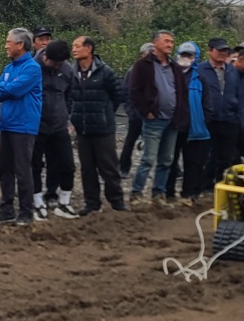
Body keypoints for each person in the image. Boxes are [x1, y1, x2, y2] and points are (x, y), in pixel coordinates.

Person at [0, 28, 43, 225]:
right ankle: (6, 209)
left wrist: (6, 88)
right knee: (5, 170)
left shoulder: (32, 68)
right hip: (7, 124)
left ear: (20, 45)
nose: (5, 46)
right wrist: (6, 88)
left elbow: (15, 90)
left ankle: (26, 211)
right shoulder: (9, 68)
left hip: (23, 125)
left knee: (22, 170)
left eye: (8, 42)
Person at [128, 31, 188, 204]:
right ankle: (136, 193)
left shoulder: (175, 67)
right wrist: (146, 111)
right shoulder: (143, 65)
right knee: (148, 159)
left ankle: (158, 193)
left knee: (167, 160)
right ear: (155, 42)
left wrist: (180, 113)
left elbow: (181, 92)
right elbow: (134, 91)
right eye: (166, 41)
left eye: (172, 42)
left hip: (172, 120)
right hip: (153, 120)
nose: (170, 45)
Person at [69, 36, 125, 215]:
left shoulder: (105, 72)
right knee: (87, 168)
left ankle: (117, 201)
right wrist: (73, 117)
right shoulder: (71, 72)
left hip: (103, 129)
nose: (74, 49)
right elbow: (69, 97)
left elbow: (117, 95)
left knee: (108, 167)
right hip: (82, 129)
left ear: (89, 48)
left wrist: (105, 113)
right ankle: (91, 203)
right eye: (73, 46)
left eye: (77, 46)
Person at [32, 40, 77, 218]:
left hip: (58, 125)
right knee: (34, 165)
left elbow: (70, 96)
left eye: (60, 64)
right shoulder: (33, 68)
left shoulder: (67, 70)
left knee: (66, 165)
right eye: (54, 63)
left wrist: (66, 115)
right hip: (37, 125)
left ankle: (63, 201)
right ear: (45, 56)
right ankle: (36, 202)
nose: (57, 66)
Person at [195, 37, 242, 189]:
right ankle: (205, 185)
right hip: (209, 120)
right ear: (210, 51)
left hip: (229, 119)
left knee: (226, 157)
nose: (223, 53)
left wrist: (238, 114)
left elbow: (239, 93)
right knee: (206, 155)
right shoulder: (200, 70)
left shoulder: (232, 70)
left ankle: (221, 184)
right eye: (219, 50)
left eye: (225, 50)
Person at [174, 42, 210, 202]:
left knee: (193, 163)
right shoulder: (170, 74)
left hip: (195, 128)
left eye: (189, 55)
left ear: (195, 57)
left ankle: (189, 194)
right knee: (170, 162)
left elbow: (208, 103)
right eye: (183, 54)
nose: (186, 58)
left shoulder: (201, 78)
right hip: (174, 127)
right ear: (177, 55)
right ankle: (168, 194)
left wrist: (205, 121)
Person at [118, 43, 154, 177]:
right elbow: (125, 93)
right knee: (130, 141)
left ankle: (148, 170)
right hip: (136, 114)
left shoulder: (158, 70)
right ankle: (123, 168)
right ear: (142, 55)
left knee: (152, 142)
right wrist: (131, 111)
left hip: (152, 114)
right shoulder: (133, 70)